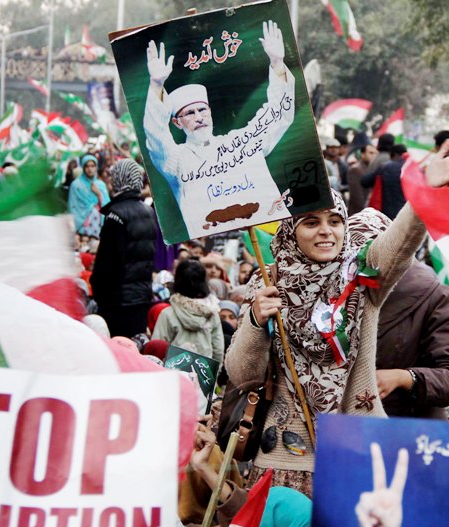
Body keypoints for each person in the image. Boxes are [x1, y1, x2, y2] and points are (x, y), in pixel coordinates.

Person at [224, 140, 449, 496]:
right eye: (311, 222)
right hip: (284, 459)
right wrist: (254, 320)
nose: (326, 230)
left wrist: (424, 193)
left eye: (335, 221)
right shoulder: (268, 282)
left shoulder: (361, 279)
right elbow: (242, 375)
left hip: (357, 453)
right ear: (290, 230)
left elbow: (399, 243)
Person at [143, 21, 296, 238]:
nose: (199, 117)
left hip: (267, 240)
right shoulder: (176, 160)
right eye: (190, 113)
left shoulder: (240, 143)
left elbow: (278, 115)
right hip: (213, 245)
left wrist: (278, 62)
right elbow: (156, 136)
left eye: (202, 110)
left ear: (210, 112)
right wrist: (157, 85)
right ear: (177, 122)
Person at [375, 262, 449, 418]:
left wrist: (403, 378)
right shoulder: (332, 285)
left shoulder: (433, 296)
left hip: (403, 430)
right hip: (336, 427)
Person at [90, 159, 156, 337]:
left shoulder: (116, 215)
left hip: (117, 301)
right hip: (141, 296)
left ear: (119, 179)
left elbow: (108, 263)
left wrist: (97, 291)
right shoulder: (148, 211)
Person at [154, 259, 224, 365]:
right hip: (203, 374)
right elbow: (218, 349)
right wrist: (213, 375)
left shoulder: (168, 314)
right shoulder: (211, 313)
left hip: (174, 376)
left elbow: (157, 348)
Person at [68, 154, 110, 238]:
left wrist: (98, 194)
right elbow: (72, 207)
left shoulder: (100, 185)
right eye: (87, 166)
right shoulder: (76, 185)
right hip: (81, 228)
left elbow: (108, 207)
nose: (90, 169)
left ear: (96, 167)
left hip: (98, 227)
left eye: (92, 166)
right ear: (83, 168)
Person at [347, 144, 379, 215]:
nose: (374, 155)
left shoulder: (373, 169)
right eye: (371, 153)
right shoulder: (355, 169)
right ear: (363, 154)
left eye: (376, 153)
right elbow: (357, 197)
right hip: (359, 214)